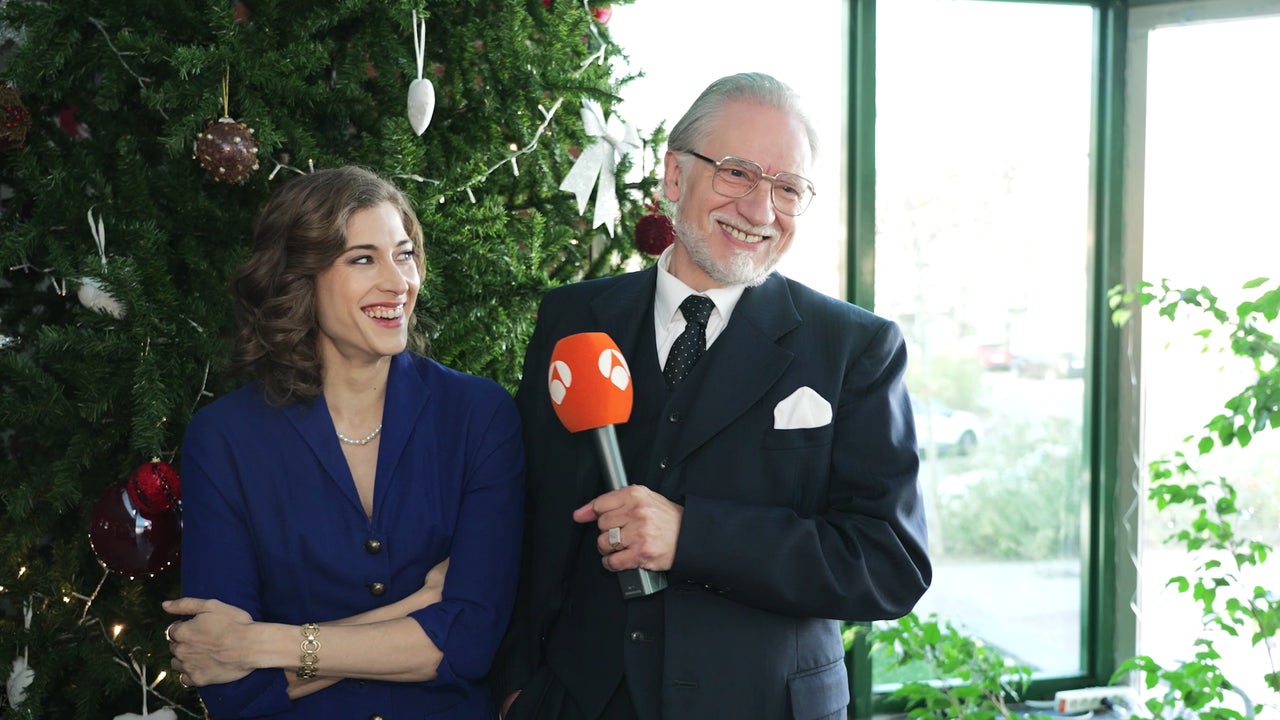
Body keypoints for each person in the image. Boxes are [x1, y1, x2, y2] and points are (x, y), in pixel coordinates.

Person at [491, 73, 931, 720]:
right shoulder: (574, 317)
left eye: (787, 188)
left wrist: (693, 536)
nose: (760, 210)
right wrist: (514, 687)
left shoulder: (855, 347)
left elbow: (888, 564)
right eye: (736, 173)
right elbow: (530, 517)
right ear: (674, 177)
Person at [163, 166, 525, 719]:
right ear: (300, 279)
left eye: (404, 254)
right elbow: (228, 689)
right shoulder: (225, 439)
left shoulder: (479, 415)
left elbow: (470, 643)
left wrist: (261, 644)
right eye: (362, 259)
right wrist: (419, 611)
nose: (398, 282)